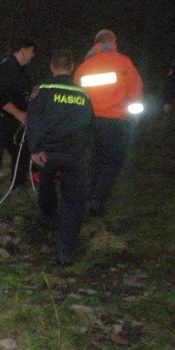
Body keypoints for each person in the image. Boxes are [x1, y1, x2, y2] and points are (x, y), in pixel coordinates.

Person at [27, 49, 93, 266]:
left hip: (48, 152)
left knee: (45, 180)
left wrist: (35, 148)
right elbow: (90, 126)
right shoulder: (83, 95)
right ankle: (66, 251)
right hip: (75, 155)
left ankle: (47, 214)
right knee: (74, 202)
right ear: (72, 67)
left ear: (52, 67)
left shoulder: (42, 91)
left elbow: (33, 121)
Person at [73, 29, 143, 216]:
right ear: (111, 41)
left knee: (95, 159)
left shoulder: (83, 67)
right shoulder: (122, 62)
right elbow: (135, 90)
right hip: (115, 121)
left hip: (90, 122)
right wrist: (134, 115)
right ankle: (97, 201)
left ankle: (89, 195)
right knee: (112, 161)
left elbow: (76, 96)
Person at [0, 37, 36, 205]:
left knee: (22, 151)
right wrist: (18, 113)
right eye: (31, 51)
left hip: (10, 124)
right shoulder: (6, 68)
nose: (33, 56)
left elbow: (21, 92)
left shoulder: (21, 71)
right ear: (23, 50)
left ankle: (18, 186)